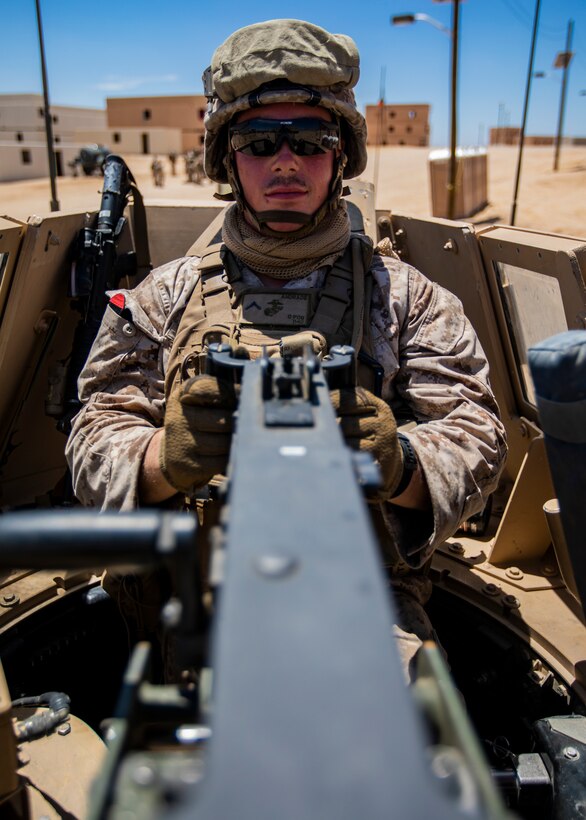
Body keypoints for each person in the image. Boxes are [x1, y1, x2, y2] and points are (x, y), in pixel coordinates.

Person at [65, 19, 507, 681]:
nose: (285, 162)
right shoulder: (162, 300)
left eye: (310, 140)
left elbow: (480, 436)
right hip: (185, 604)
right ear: (225, 158)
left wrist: (401, 459)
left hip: (367, 607)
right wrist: (164, 455)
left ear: (341, 155)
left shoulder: (409, 300)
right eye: (258, 141)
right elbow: (90, 438)